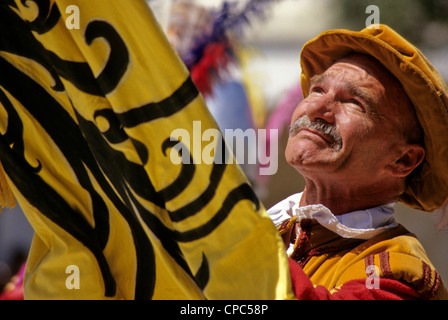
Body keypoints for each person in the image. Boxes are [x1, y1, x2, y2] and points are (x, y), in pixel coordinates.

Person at [267, 24, 448, 300]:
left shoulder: (403, 272)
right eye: (317, 90)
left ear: (403, 159)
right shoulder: (272, 228)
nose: (315, 108)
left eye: (353, 102)